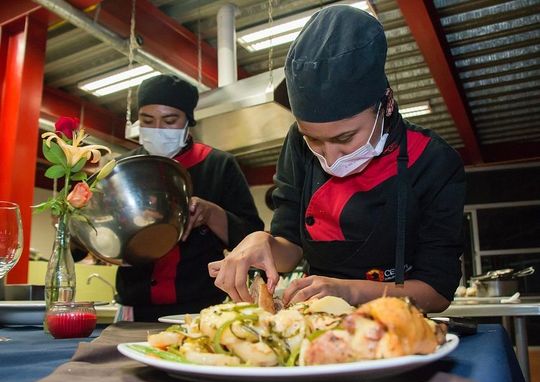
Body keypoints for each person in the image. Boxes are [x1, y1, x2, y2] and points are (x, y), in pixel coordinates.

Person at [209, 6, 465, 313]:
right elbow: (290, 246)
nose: (329, 156)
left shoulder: (433, 160)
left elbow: (436, 292)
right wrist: (262, 242)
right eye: (313, 138)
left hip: (396, 329)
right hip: (315, 322)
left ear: (387, 103)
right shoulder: (297, 144)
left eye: (345, 138)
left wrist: (346, 290)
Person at [115, 74, 264, 321]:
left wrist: (211, 214)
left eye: (170, 120)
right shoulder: (124, 168)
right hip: (136, 306)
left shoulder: (217, 165)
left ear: (188, 121)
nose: (158, 130)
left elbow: (251, 236)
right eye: (147, 120)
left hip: (201, 307)